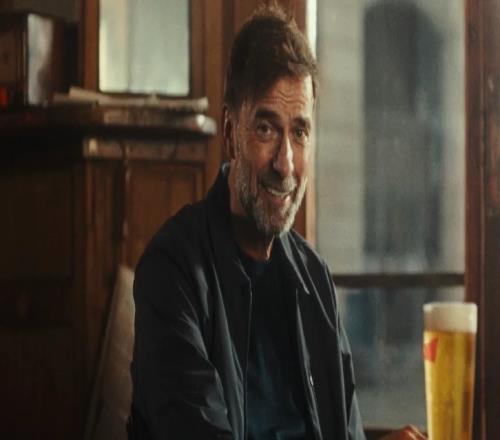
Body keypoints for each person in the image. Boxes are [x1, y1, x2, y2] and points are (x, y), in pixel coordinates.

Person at [128, 4, 426, 440]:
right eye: (266, 129)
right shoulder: (172, 272)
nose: (285, 164)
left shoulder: (314, 279)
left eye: (300, 133)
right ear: (230, 133)